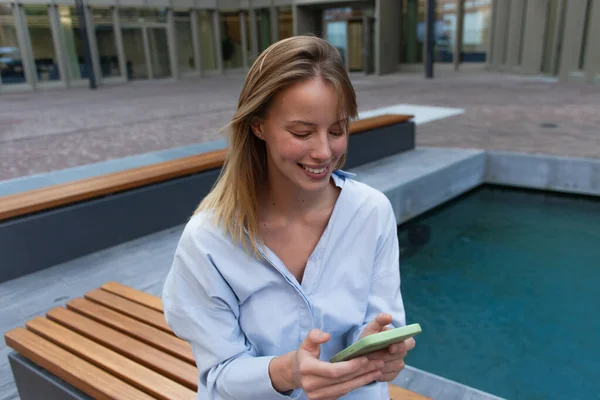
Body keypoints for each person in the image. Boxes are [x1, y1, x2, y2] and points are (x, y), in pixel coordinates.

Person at [162, 35, 415, 400]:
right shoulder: (208, 239)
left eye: (337, 130)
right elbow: (218, 374)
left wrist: (381, 351)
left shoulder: (371, 213)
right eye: (302, 132)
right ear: (258, 126)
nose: (324, 152)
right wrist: (288, 371)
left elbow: (384, 323)